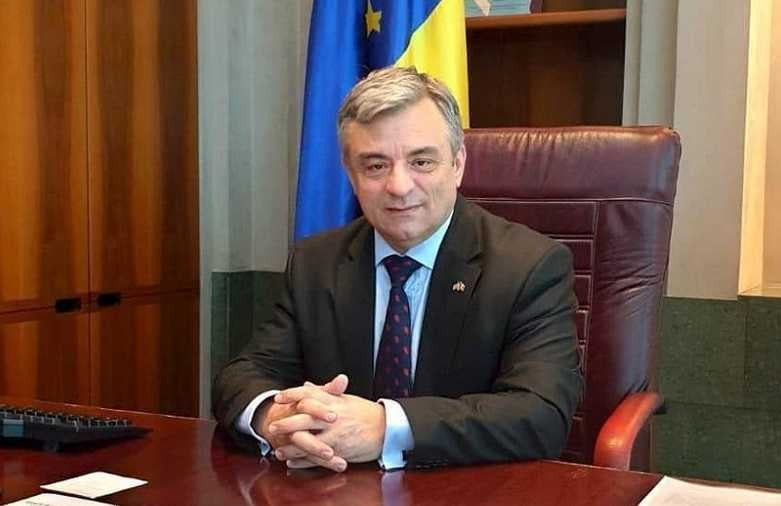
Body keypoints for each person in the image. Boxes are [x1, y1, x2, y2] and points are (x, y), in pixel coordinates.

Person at [212, 66, 581, 473]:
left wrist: (385, 427)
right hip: (338, 488)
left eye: (421, 161)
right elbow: (244, 375)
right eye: (375, 166)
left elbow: (540, 414)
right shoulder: (316, 262)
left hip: (468, 489)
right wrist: (278, 419)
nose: (400, 186)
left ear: (457, 164)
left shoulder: (529, 265)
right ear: (351, 174)